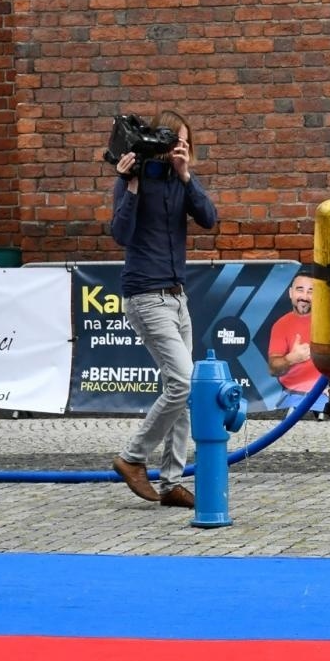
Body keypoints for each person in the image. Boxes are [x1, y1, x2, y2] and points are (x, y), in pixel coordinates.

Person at [107, 110, 217, 510]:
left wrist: (188, 176)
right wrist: (130, 186)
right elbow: (120, 234)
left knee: (181, 389)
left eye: (185, 143)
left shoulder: (182, 182)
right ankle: (133, 457)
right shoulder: (133, 178)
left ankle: (172, 481)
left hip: (177, 295)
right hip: (145, 295)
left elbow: (209, 218)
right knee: (184, 383)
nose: (179, 149)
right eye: (173, 142)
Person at [266, 268, 327, 411]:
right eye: (300, 290)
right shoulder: (280, 325)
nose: (304, 296)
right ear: (291, 293)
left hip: (324, 397)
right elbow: (273, 369)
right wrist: (291, 359)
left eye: (311, 291)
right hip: (290, 396)